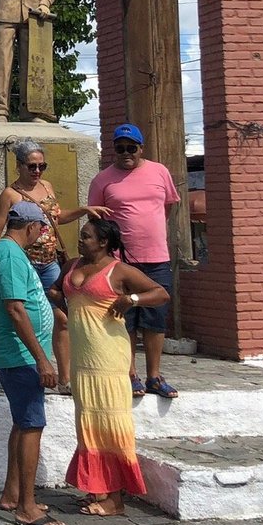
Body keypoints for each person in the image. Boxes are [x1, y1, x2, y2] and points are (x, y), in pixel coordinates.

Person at [59, 217, 170, 517]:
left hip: (108, 359)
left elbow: (161, 294)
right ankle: (98, 489)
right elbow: (58, 291)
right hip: (82, 361)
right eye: (81, 236)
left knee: (111, 425)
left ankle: (115, 500)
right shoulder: (71, 266)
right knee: (89, 427)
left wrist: (131, 298)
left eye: (87, 237)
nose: (80, 241)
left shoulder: (119, 270)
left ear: (104, 242)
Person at [0, 138, 110, 393]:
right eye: (32, 166)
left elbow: (57, 217)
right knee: (34, 315)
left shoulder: (47, 187)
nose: (37, 172)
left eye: (42, 166)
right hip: (27, 262)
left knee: (62, 317)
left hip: (50, 261)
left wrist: (83, 210)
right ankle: (33, 365)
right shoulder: (10, 195)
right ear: (19, 166)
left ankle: (64, 378)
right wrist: (5, 256)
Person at [0, 201, 65, 525]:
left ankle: (12, 493)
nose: (42, 235)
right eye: (41, 229)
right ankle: (27, 507)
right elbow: (16, 309)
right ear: (30, 227)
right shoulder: (8, 253)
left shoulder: (13, 252)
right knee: (32, 424)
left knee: (22, 422)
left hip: (22, 353)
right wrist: (42, 358)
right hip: (19, 354)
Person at [88, 124, 182, 399]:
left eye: (132, 147)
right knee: (124, 319)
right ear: (113, 150)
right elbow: (96, 222)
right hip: (120, 261)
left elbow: (167, 207)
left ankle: (154, 375)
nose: (126, 153)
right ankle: (130, 375)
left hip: (157, 257)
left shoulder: (159, 172)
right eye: (120, 148)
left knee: (155, 319)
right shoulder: (102, 180)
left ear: (141, 148)